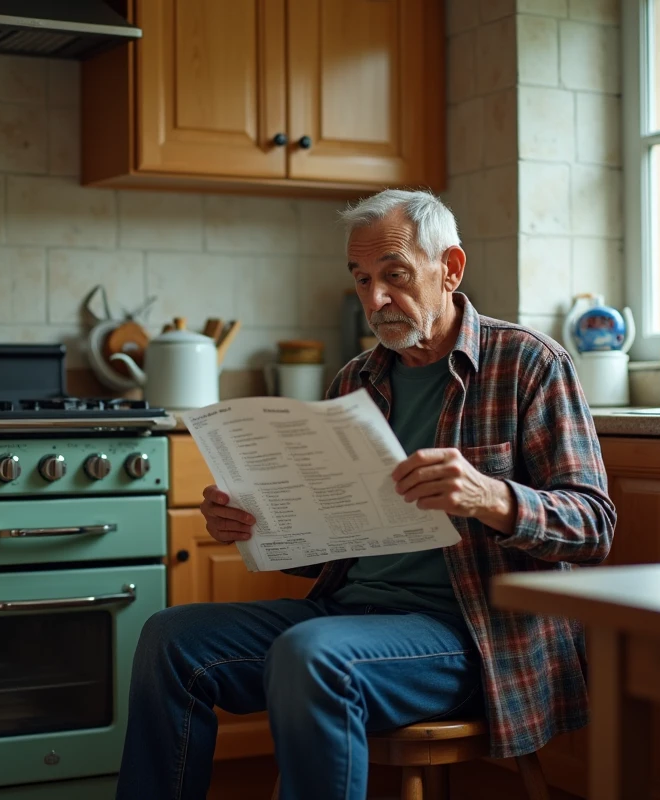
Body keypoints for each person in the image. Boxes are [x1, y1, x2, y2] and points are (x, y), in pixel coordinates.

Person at [115, 188, 617, 800]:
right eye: (361, 279)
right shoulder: (356, 380)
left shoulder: (530, 365)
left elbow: (593, 527)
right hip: (348, 618)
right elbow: (332, 545)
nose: (375, 300)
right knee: (170, 640)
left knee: (311, 655)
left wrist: (491, 497)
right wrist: (256, 523)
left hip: (471, 636)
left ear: (450, 268)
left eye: (395, 275)